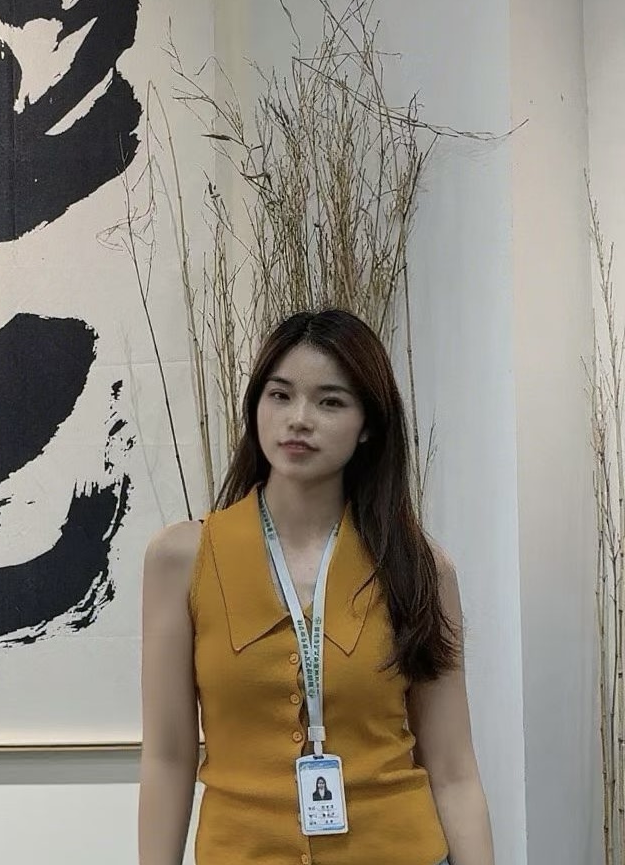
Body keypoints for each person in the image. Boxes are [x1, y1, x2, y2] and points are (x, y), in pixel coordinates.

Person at [138, 308, 494, 865]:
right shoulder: (181, 559)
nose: (298, 419)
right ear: (256, 406)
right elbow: (167, 757)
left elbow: (452, 769)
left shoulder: (420, 567)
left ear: (368, 425)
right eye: (280, 395)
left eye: (330, 402)